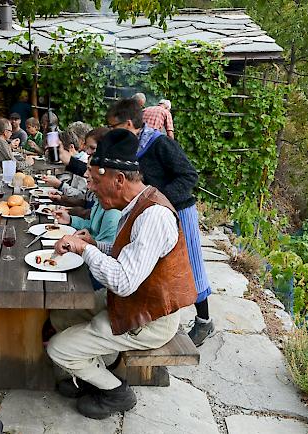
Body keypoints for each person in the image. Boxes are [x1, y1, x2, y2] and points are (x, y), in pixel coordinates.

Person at [47, 129, 197, 419]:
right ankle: (94, 371)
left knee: (59, 349)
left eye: (97, 181)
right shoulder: (137, 203)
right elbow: (126, 254)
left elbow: (125, 282)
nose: (91, 189)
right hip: (133, 304)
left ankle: (115, 391)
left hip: (149, 319)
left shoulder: (152, 215)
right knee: (60, 315)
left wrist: (84, 250)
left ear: (118, 179)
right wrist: (95, 244)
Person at [107, 98, 213, 346]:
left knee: (190, 267)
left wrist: (161, 200)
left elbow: (189, 175)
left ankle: (204, 322)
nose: (111, 132)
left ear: (130, 123)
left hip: (178, 211)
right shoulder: (130, 146)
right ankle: (157, 317)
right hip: (152, 213)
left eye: (113, 127)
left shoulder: (159, 143)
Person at [42, 130, 87, 197]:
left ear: (71, 147)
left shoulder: (84, 163)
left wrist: (59, 185)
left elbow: (82, 196)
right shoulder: (76, 163)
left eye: (58, 151)